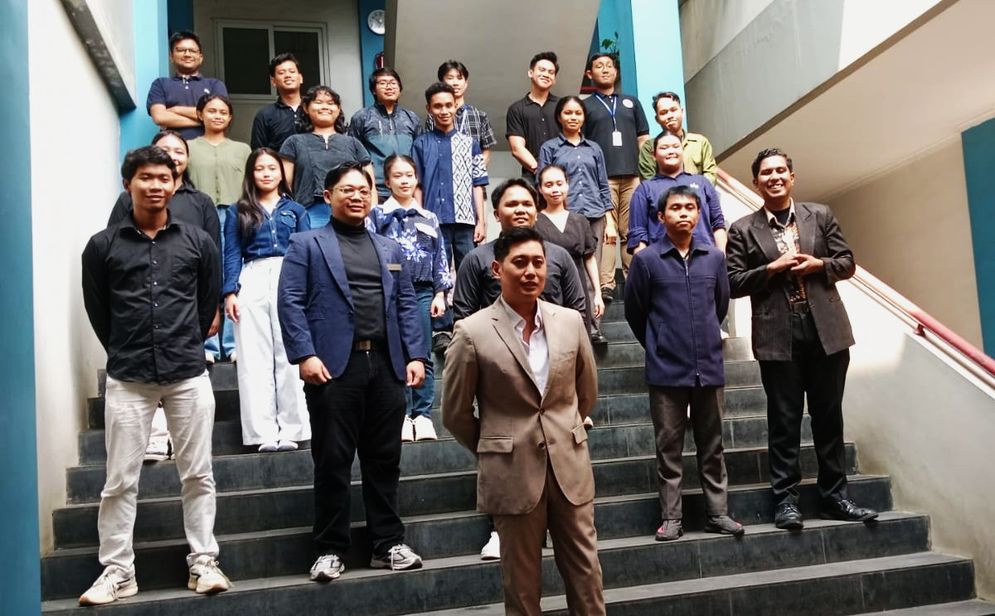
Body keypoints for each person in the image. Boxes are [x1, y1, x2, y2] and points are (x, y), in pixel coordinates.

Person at [79, 145, 228, 605]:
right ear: (128, 184)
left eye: (165, 178)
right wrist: (126, 348)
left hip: (187, 372)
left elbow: (207, 302)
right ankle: (118, 571)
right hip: (129, 375)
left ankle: (204, 562)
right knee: (119, 480)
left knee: (198, 474)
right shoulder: (102, 246)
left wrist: (185, 342)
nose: (156, 185)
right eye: (146, 177)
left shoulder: (197, 242)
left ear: (176, 184)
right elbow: (99, 311)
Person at [443, 226, 605, 616]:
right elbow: (455, 413)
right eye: (520, 263)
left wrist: (567, 428)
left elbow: (586, 393)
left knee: (587, 577)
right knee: (521, 585)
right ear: (498, 269)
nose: (531, 271)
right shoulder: (472, 331)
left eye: (538, 262)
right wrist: (497, 444)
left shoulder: (570, 321)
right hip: (511, 472)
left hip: (569, 467)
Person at [277, 161, 427, 581]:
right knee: (333, 460)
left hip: (386, 365)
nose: (357, 196)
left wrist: (416, 355)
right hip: (332, 368)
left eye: (364, 190)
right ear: (328, 197)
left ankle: (388, 544)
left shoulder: (389, 248)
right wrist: (304, 355)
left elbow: (405, 305)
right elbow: (290, 302)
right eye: (347, 190)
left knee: (385, 459)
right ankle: (329, 549)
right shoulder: (306, 244)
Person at [726, 148, 878, 530]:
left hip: (827, 331)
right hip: (777, 334)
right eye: (767, 173)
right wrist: (771, 268)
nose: (775, 177)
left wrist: (819, 265)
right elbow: (732, 283)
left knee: (829, 418)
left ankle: (835, 498)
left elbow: (847, 262)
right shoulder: (742, 229)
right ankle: (786, 502)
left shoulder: (820, 215)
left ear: (792, 177)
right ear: (756, 182)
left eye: (781, 170)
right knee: (784, 421)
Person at [624, 185, 744, 542]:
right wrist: (658, 343)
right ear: (661, 217)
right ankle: (671, 517)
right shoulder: (646, 261)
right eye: (675, 208)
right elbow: (635, 312)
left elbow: (719, 306)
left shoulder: (714, 258)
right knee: (669, 447)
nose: (684, 213)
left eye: (690, 208)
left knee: (713, 445)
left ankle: (718, 513)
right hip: (666, 370)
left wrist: (704, 337)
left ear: (699, 214)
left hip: (709, 365)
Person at [107, 130, 221, 462]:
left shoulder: (200, 202)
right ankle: (156, 440)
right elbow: (108, 275)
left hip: (184, 315)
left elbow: (211, 261)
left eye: (178, 150)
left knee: (198, 467)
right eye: (164, 149)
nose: (172, 155)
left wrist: (206, 316)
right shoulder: (122, 209)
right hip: (136, 319)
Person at [223, 148, 311, 452]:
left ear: (281, 173)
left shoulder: (296, 210)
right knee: (253, 357)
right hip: (252, 276)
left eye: (272, 168)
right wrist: (230, 292)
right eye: (259, 168)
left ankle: (293, 429)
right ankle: (262, 433)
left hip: (291, 277)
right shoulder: (238, 210)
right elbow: (231, 252)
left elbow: (307, 251)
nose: (266, 173)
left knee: (290, 354)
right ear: (251, 173)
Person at [367, 155, 451, 442]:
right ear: (387, 181)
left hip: (423, 291)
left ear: (417, 179)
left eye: (409, 175)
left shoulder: (429, 217)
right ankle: (401, 413)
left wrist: (440, 293)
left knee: (421, 351)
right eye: (397, 176)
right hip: (388, 292)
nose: (404, 181)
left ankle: (423, 415)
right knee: (395, 353)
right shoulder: (377, 215)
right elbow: (369, 253)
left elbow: (440, 257)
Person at [411, 82, 488, 352]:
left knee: (469, 269)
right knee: (438, 273)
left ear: (456, 105)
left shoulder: (470, 143)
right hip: (433, 221)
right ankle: (442, 329)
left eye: (448, 105)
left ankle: (470, 323)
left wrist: (482, 220)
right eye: (438, 106)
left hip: (466, 220)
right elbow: (417, 185)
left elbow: (478, 184)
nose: (444, 110)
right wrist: (419, 219)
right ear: (429, 109)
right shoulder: (420, 144)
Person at [453, 178, 586, 324]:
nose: (520, 210)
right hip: (496, 337)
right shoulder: (476, 259)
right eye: (512, 204)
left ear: (536, 214)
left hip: (552, 337)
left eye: (527, 204)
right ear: (497, 215)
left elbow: (577, 312)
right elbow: (464, 317)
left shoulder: (560, 256)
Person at [537, 95, 614, 341]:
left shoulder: (594, 148)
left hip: (594, 213)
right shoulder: (550, 148)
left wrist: (610, 221)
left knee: (591, 269)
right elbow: (544, 180)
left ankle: (593, 327)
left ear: (583, 117)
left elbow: (603, 184)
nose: (573, 117)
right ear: (559, 117)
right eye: (568, 113)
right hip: (562, 215)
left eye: (578, 113)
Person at [581, 53, 650, 304]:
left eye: (609, 66)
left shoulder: (631, 102)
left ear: (616, 72)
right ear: (590, 74)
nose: (605, 69)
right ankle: (607, 284)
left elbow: (643, 139)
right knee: (607, 233)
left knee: (631, 230)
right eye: (599, 66)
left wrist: (646, 173)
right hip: (603, 178)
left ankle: (633, 278)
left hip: (632, 176)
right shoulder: (586, 106)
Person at [187, 94, 249, 364]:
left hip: (235, 214)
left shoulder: (242, 149)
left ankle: (233, 344)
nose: (217, 115)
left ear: (230, 117)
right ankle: (207, 345)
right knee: (204, 273)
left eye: (223, 112)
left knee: (233, 274)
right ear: (200, 115)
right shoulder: (188, 147)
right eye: (211, 111)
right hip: (200, 214)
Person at [281, 85, 374, 229]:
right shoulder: (293, 142)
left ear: (338, 109)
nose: (325, 107)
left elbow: (370, 185)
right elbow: (284, 185)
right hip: (308, 214)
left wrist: (371, 216)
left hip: (350, 211)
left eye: (331, 103)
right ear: (306, 108)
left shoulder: (353, 143)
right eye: (318, 102)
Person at [533, 165, 606, 344]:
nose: (555, 189)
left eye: (560, 183)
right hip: (547, 291)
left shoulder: (580, 221)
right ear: (540, 189)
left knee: (579, 340)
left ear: (567, 185)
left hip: (578, 288)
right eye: (549, 185)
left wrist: (597, 294)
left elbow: (589, 258)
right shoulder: (534, 222)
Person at [628, 132, 726, 256]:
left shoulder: (702, 183)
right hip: (662, 261)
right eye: (664, 148)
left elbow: (718, 224)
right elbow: (638, 233)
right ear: (654, 155)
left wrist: (721, 258)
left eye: (676, 146)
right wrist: (644, 264)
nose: (671, 151)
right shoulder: (645, 189)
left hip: (705, 258)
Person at [348, 67, 421, 200]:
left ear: (400, 88)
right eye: (382, 83)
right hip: (375, 190)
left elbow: (419, 154)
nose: (389, 87)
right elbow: (352, 153)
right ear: (373, 90)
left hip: (407, 188)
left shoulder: (411, 118)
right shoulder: (362, 117)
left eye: (393, 83)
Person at [147, 31, 228, 140]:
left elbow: (218, 115)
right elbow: (160, 117)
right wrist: (204, 121)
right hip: (172, 147)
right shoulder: (160, 84)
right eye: (181, 50)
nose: (187, 54)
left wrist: (175, 110)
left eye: (193, 51)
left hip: (207, 147)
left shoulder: (215, 84)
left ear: (201, 57)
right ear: (171, 56)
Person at [425, 60, 497, 168]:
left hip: (472, 175)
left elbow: (486, 151)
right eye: (450, 78)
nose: (455, 83)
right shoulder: (433, 117)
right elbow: (429, 149)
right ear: (442, 83)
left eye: (459, 78)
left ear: (466, 83)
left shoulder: (480, 116)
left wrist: (475, 173)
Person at [637, 91, 717, 183]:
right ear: (657, 119)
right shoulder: (649, 147)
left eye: (673, 110)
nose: (670, 116)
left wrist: (697, 190)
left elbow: (710, 175)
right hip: (663, 192)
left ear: (682, 112)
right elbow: (649, 182)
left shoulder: (700, 142)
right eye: (664, 112)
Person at [506, 51, 560, 183]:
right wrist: (541, 172)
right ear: (530, 73)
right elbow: (517, 148)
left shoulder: (562, 106)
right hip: (533, 176)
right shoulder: (516, 109)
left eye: (551, 72)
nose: (546, 74)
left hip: (564, 175)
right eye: (542, 70)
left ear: (554, 79)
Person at [250, 53, 308, 151]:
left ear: (301, 78)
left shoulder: (313, 109)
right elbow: (259, 153)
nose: (288, 75)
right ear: (273, 81)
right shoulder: (265, 115)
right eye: (281, 73)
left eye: (292, 71)